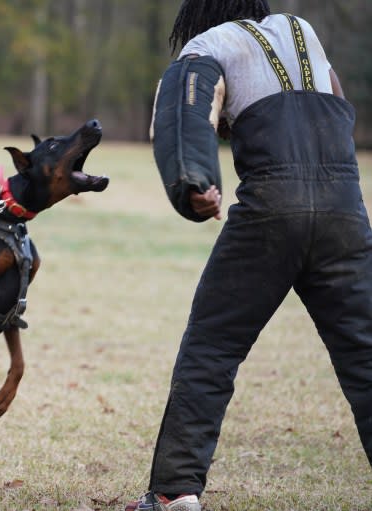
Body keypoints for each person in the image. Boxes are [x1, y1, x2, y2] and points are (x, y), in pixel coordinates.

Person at [127, 1, 372, 510]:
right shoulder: (302, 30)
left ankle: (176, 494)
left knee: (212, 349)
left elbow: (184, 107)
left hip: (271, 209)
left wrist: (194, 182)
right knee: (366, 355)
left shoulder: (210, 44)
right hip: (343, 207)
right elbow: (335, 96)